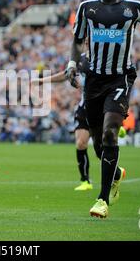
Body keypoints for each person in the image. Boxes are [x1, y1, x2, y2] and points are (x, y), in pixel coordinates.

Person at [67, 0, 140, 218]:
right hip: (93, 83)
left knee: (111, 133)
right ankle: (116, 172)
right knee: (99, 144)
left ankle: (102, 200)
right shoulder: (87, 7)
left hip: (121, 78)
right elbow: (78, 40)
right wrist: (70, 64)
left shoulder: (134, 8)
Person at [32, 54, 127, 191]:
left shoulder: (106, 56)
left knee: (99, 150)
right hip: (85, 105)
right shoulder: (80, 58)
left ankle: (114, 132)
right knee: (80, 143)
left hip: (103, 105)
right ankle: (85, 181)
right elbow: (66, 74)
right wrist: (43, 80)